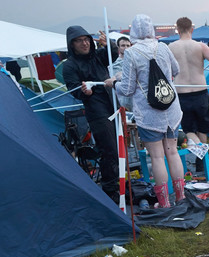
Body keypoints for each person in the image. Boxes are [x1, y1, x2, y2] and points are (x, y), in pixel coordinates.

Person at [105, 14, 185, 208]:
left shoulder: (131, 53)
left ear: (133, 32)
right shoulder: (164, 47)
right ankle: (181, 198)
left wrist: (114, 82)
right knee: (172, 152)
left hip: (149, 113)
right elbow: (176, 70)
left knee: (157, 157)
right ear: (151, 30)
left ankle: (164, 203)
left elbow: (127, 89)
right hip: (171, 108)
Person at [63, 25, 120, 203]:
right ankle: (111, 190)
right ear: (72, 44)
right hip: (96, 110)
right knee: (109, 150)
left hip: (113, 104)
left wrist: (108, 42)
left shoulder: (98, 56)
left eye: (86, 39)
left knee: (119, 148)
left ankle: (121, 184)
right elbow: (73, 88)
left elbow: (114, 53)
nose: (84, 43)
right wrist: (83, 92)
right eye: (79, 41)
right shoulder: (69, 66)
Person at [169, 17, 209, 147]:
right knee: (202, 129)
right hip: (200, 93)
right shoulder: (200, 46)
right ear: (192, 29)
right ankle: (202, 156)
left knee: (189, 129)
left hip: (182, 94)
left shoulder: (171, 47)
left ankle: (200, 153)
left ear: (177, 30)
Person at [111, 36, 133, 111]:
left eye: (128, 45)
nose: (126, 48)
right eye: (123, 45)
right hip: (120, 98)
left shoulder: (135, 60)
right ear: (118, 47)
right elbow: (115, 77)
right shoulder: (114, 62)